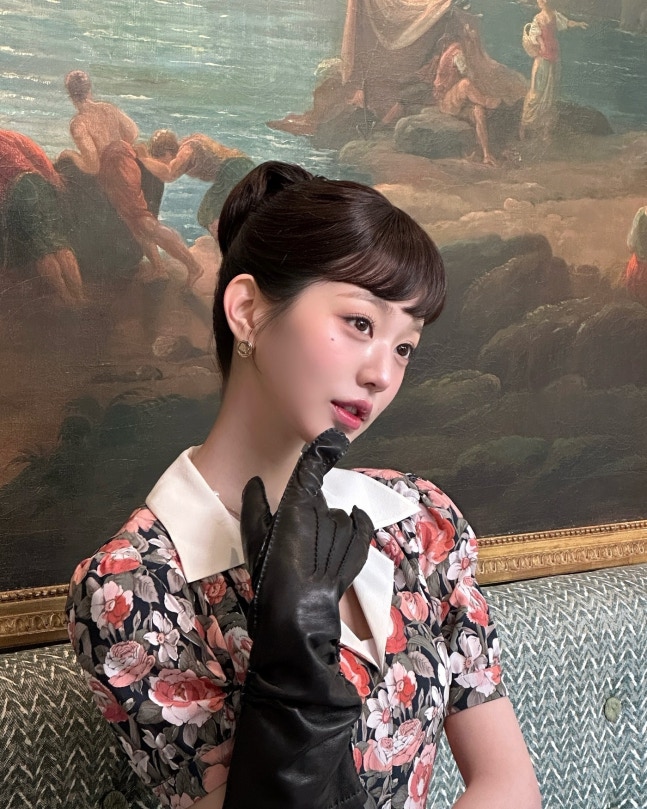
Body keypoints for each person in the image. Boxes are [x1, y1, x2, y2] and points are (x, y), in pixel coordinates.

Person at [66, 161, 541, 809]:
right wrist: (289, 666)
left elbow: (506, 783)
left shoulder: (417, 519)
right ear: (247, 311)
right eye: (360, 323)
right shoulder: (131, 587)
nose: (382, 374)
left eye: (405, 346)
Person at [59, 71, 203, 287]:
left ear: (70, 94)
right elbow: (133, 132)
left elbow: (92, 165)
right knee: (136, 224)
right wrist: (118, 146)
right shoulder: (107, 108)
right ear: (89, 90)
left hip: (117, 173)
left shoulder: (79, 124)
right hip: (127, 162)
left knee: (145, 222)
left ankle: (193, 266)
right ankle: (159, 268)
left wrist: (70, 155)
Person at [0, 129, 86, 306]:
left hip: (20, 191)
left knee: (41, 248)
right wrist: (52, 177)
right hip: (39, 182)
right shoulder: (7, 135)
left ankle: (65, 297)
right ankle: (79, 295)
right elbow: (37, 154)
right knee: (58, 241)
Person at [139, 129, 254, 239]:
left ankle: (229, 247)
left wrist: (142, 158)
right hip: (242, 169)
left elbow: (170, 174)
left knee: (209, 216)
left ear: (168, 152)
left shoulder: (187, 149)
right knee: (212, 216)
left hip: (234, 169)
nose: (161, 165)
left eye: (160, 160)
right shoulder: (188, 148)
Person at [519, 0, 588, 142]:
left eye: (544, 0)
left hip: (554, 57)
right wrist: (541, 43)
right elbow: (534, 36)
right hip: (542, 59)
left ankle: (545, 131)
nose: (541, 2)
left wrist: (578, 24)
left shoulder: (555, 15)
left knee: (550, 95)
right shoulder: (537, 18)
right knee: (536, 93)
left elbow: (566, 22)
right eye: (540, 0)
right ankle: (524, 125)